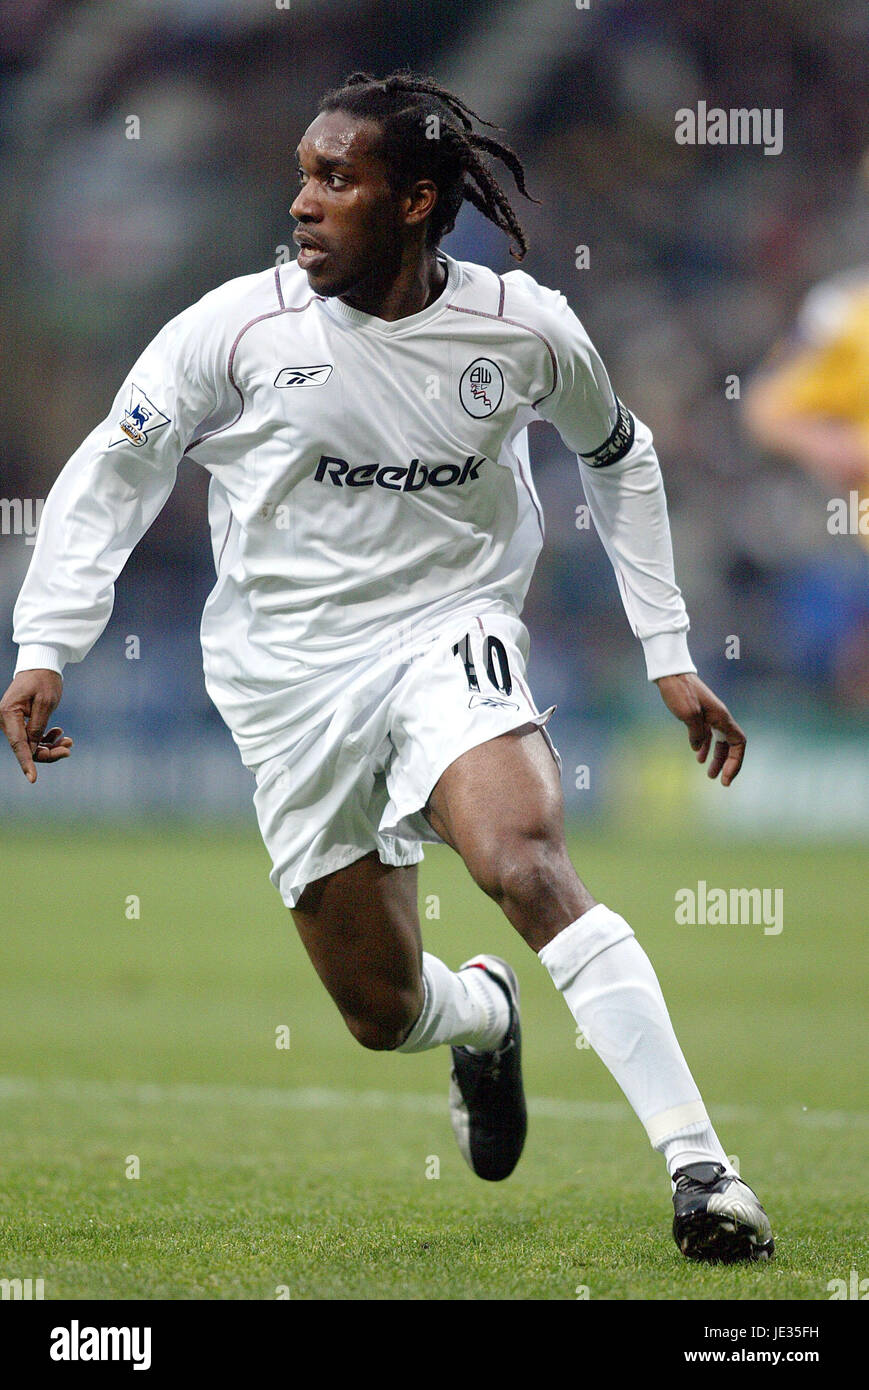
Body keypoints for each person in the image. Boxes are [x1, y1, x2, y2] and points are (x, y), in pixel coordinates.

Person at [1, 70, 773, 1263]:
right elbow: (115, 471)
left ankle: (702, 1170)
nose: (302, 204)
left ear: (416, 201)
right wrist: (48, 640)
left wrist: (665, 648)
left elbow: (618, 455)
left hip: (448, 629)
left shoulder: (522, 330)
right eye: (302, 176)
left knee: (520, 856)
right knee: (381, 1011)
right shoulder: (235, 332)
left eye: (335, 179)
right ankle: (480, 1014)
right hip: (286, 681)